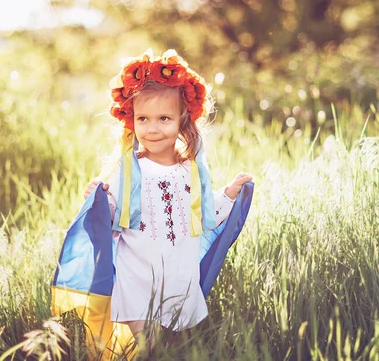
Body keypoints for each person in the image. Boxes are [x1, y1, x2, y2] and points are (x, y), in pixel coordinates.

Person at [51, 49, 254, 355]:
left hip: (177, 276)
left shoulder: (190, 171)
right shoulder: (129, 171)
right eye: (143, 118)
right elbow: (110, 218)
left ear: (182, 120)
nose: (153, 128)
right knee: (149, 348)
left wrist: (230, 194)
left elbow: (205, 213)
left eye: (164, 118)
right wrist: (99, 200)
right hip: (136, 277)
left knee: (171, 345)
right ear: (131, 121)